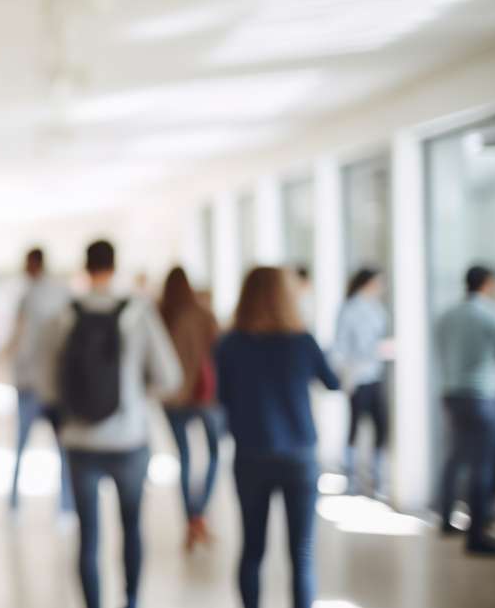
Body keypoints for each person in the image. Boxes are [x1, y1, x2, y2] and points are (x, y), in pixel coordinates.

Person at [42, 240, 182, 608]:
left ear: (85, 268)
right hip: (129, 439)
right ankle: (131, 600)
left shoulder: (65, 314)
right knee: (131, 527)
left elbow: (47, 383)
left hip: (79, 441)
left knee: (88, 536)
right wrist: (136, 391)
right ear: (114, 266)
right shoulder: (138, 311)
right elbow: (170, 375)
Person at [217, 267, 339, 608]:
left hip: (250, 453)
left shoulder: (230, 345)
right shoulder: (302, 342)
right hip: (299, 454)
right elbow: (333, 382)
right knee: (301, 553)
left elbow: (222, 398)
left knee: (252, 547)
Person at [435, 265, 495, 555]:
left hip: (452, 394)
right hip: (482, 396)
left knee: (454, 457)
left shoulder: (446, 316)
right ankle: (476, 534)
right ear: (488, 284)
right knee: (483, 466)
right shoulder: (492, 314)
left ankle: (445, 517)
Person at [158, 267, 222, 551]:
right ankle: (199, 514)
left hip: (172, 398)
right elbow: (220, 351)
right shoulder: (203, 313)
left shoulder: (160, 314)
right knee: (214, 454)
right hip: (204, 396)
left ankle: (191, 518)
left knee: (184, 457)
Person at [7, 248, 73, 512]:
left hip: (29, 382)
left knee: (21, 445)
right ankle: (66, 507)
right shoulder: (62, 293)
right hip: (56, 383)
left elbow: (19, 337)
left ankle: (14, 504)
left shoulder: (28, 297)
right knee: (62, 450)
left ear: (33, 264)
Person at [333, 268, 392, 497]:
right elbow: (344, 346)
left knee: (381, 427)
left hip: (375, 375)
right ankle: (350, 479)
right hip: (357, 376)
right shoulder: (351, 309)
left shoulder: (375, 307)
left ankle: (376, 480)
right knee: (354, 427)